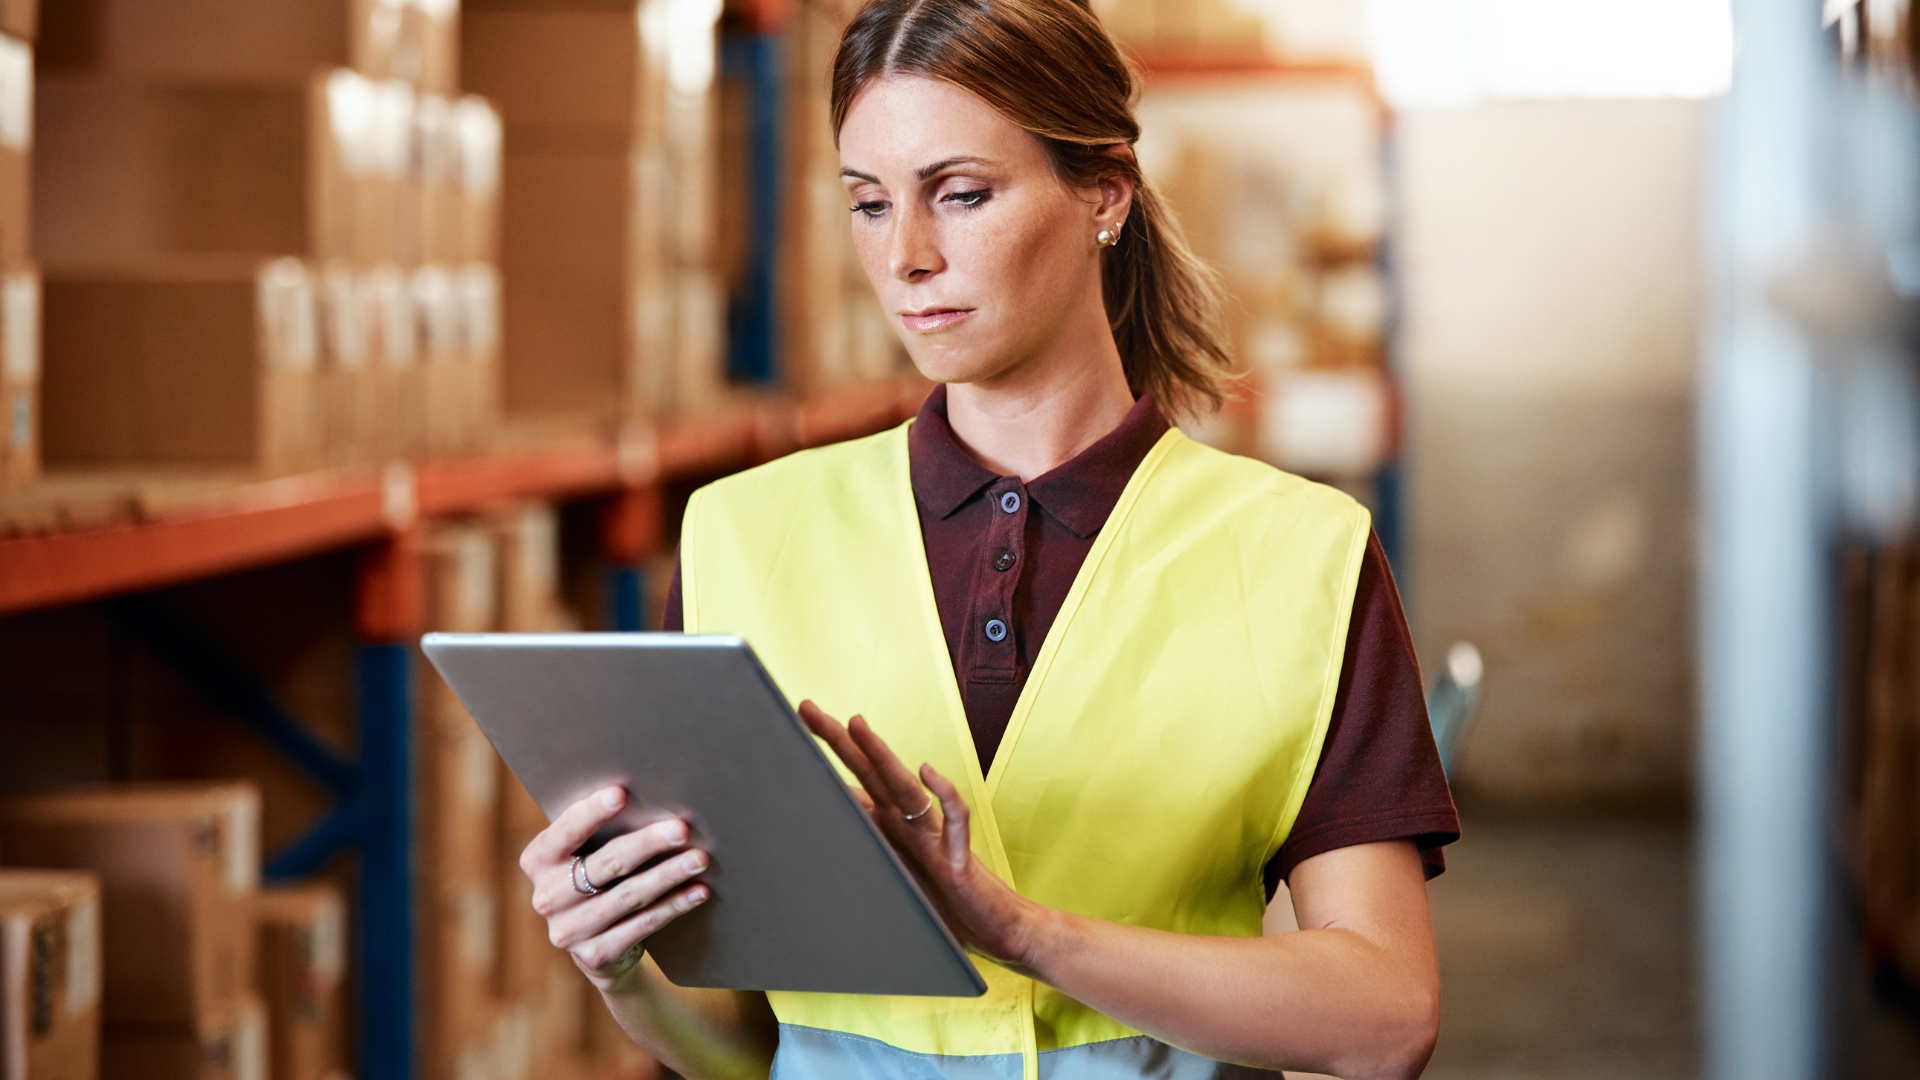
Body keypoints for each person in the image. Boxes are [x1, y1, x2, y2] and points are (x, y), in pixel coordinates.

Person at [518, 1, 1458, 1077]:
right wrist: (625, 975)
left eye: (961, 194)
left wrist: (1025, 934)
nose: (905, 256)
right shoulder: (742, 534)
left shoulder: (1301, 557)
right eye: (869, 203)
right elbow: (749, 1054)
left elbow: (1388, 1020)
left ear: (1104, 192)